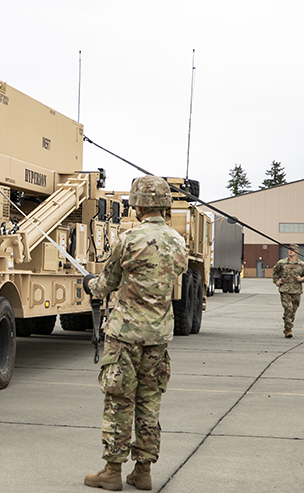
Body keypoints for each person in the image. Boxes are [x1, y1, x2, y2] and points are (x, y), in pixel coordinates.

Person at [82, 176, 187, 491]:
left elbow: (104, 286)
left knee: (119, 399)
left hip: (125, 335)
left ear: (137, 204)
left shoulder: (129, 240)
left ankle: (112, 472)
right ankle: (143, 471)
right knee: (150, 400)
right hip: (158, 336)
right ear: (165, 205)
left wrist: (89, 282)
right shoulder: (178, 243)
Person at [271, 244, 304, 338]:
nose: (290, 251)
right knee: (288, 308)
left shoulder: (302, 265)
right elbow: (275, 271)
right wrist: (276, 281)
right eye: (289, 249)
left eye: (293, 250)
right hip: (284, 289)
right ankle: (289, 329)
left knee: (293, 310)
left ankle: (287, 326)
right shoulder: (282, 262)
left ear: (297, 251)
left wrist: (301, 279)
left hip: (296, 291)